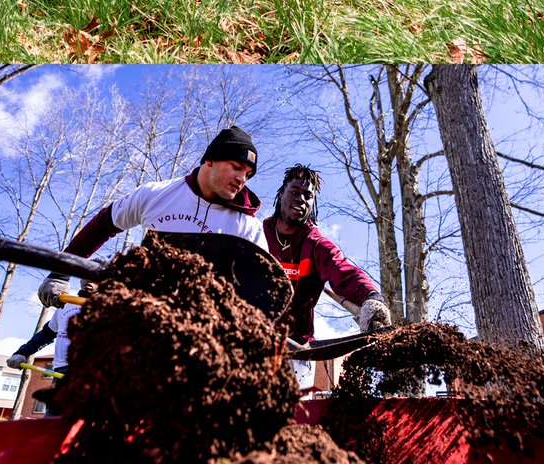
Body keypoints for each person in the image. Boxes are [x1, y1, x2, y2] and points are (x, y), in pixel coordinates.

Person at [37, 126, 264, 307]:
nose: (242, 178)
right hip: (145, 315)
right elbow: (102, 225)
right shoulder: (155, 194)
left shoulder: (248, 226)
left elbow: (261, 285)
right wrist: (60, 273)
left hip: (202, 328)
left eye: (248, 174)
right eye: (236, 167)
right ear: (210, 160)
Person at [263, 164, 392, 388]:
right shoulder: (257, 234)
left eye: (308, 196)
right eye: (295, 192)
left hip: (297, 351)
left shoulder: (315, 245)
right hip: (252, 342)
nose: (301, 199)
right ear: (281, 194)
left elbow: (342, 269)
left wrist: (371, 297)